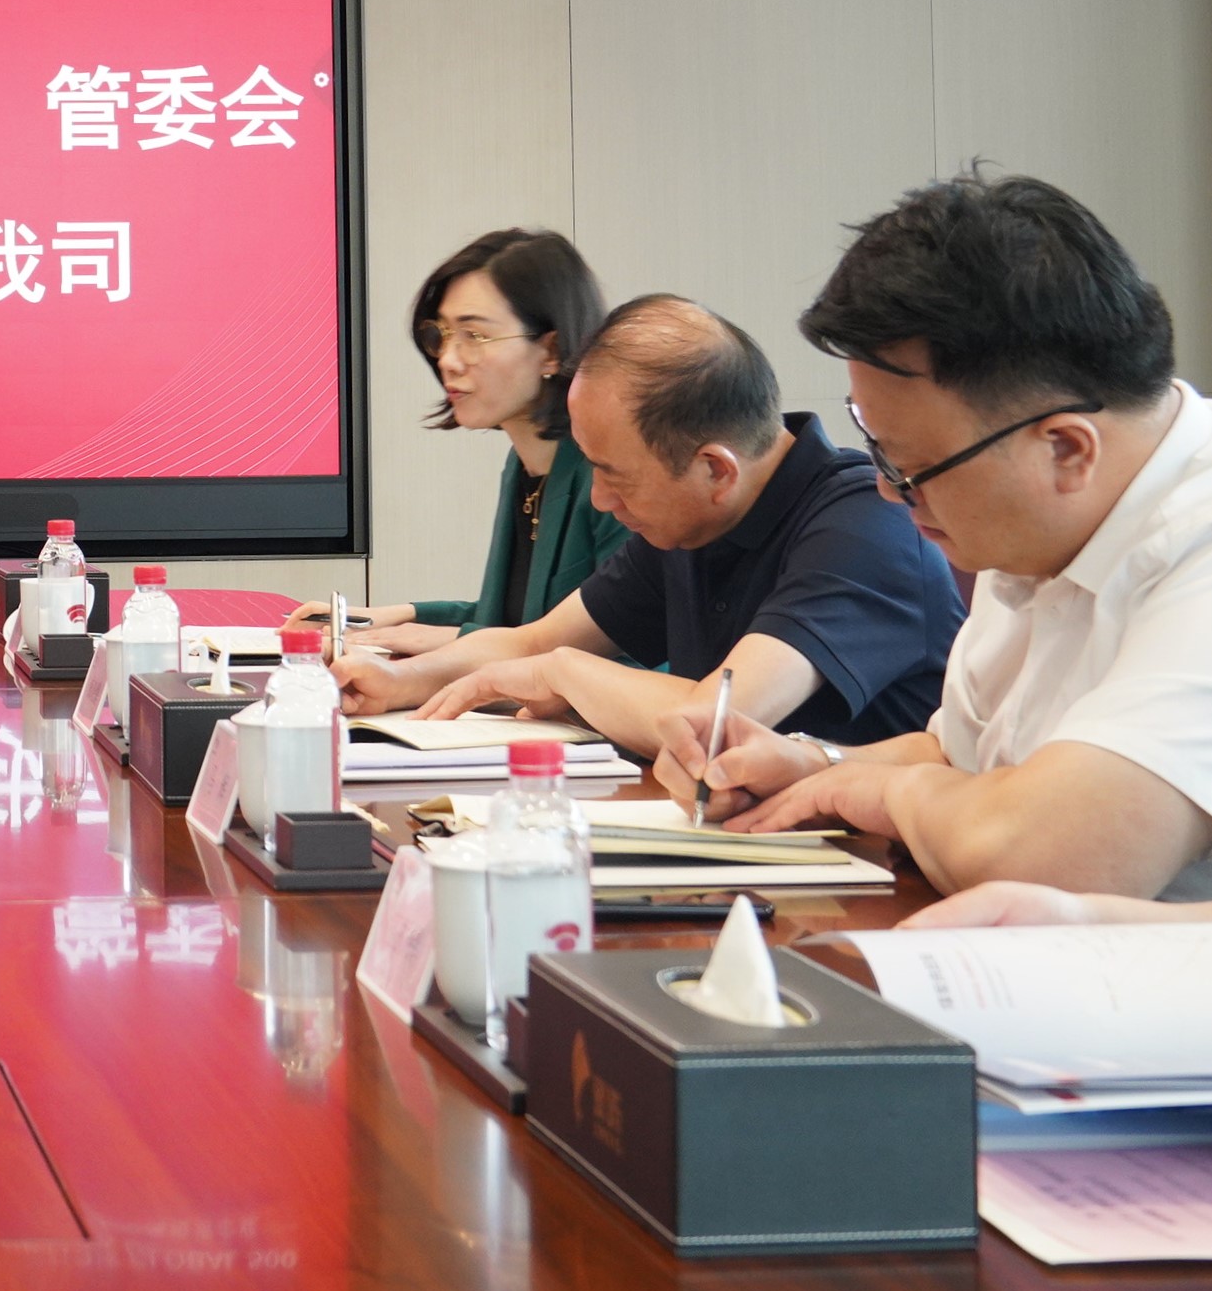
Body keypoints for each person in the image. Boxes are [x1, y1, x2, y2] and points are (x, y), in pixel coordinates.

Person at [671, 171, 1212, 900]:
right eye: (880, 451)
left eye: (913, 467)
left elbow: (1047, 858)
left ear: (1064, 449)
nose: (888, 490)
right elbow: (965, 758)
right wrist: (816, 766)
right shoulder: (1035, 519)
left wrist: (882, 794)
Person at [337, 295, 960, 758]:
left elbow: (711, 720)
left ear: (716, 469)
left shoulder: (866, 526)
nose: (600, 499)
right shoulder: (689, 523)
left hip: (878, 872)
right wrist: (398, 682)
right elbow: (531, 642)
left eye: (616, 475)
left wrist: (562, 671)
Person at [298, 229, 627, 654]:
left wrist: (446, 641)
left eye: (474, 335)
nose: (448, 360)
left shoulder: (613, 476)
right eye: (444, 334)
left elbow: (633, 657)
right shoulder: (524, 464)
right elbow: (512, 619)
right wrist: (395, 616)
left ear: (552, 349)